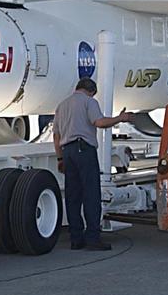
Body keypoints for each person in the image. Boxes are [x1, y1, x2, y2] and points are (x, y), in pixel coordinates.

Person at [52, 78, 134, 250]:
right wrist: (121, 118)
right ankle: (92, 238)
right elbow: (99, 122)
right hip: (84, 149)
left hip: (67, 152)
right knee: (91, 194)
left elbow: (56, 135)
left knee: (73, 196)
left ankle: (76, 239)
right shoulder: (89, 102)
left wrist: (60, 158)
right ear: (91, 91)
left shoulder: (62, 105)